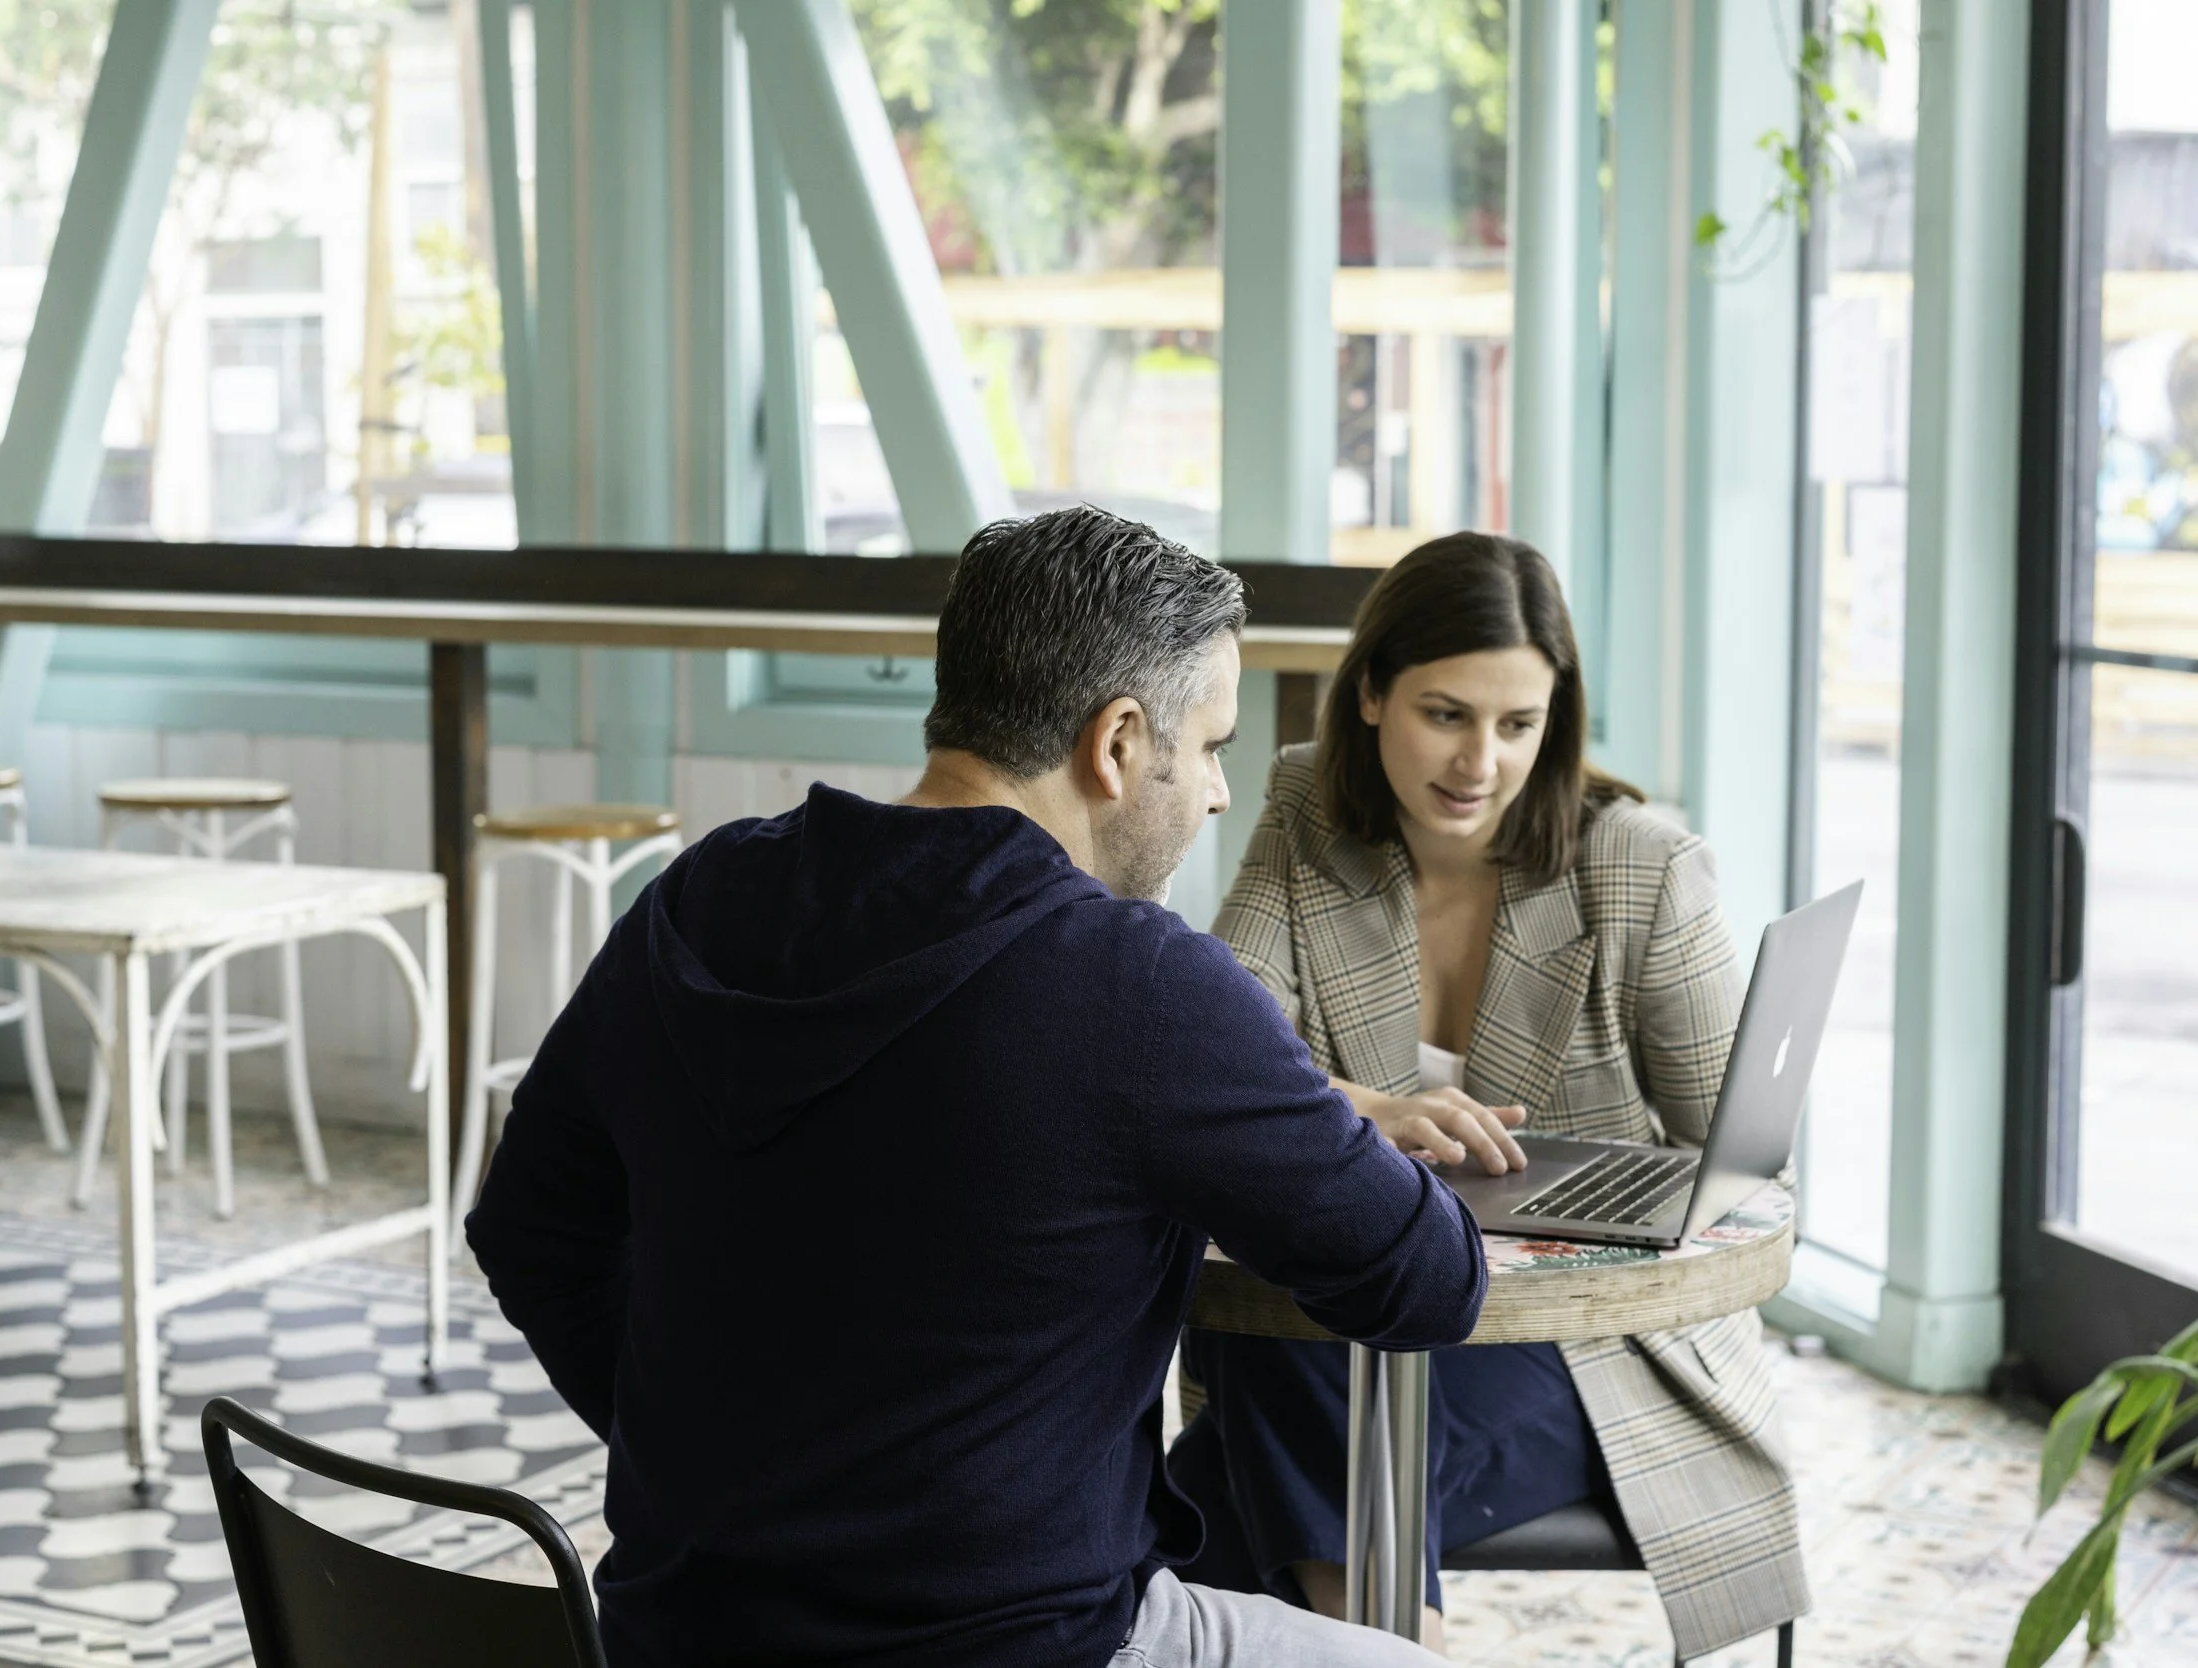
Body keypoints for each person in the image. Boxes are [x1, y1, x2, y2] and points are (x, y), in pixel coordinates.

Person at [465, 506, 1485, 1668]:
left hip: (681, 1636)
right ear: (1114, 744)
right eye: (1208, 746)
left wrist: (717, 1473)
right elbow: (1426, 1281)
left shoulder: (698, 900)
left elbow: (527, 1227)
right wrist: (1309, 1101)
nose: (1213, 794)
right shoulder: (1139, 986)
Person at [1168, 532, 1808, 1662]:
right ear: (1370, 694)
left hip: (1587, 1351)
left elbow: (1746, 1168)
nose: (1481, 763)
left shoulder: (1640, 868)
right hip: (1365, 1318)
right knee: (1297, 1368)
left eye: (1520, 726)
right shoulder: (1308, 805)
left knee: (1201, 1486)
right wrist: (1358, 1107)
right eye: (1447, 714)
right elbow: (1224, 1055)